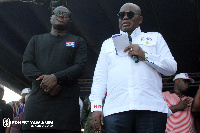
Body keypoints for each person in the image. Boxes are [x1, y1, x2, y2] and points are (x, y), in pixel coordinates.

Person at [89, 2, 177, 133]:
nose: (125, 18)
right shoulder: (107, 44)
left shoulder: (155, 37)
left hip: (151, 108)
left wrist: (145, 55)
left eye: (130, 14)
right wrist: (96, 108)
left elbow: (172, 68)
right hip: (116, 110)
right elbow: (100, 78)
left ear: (140, 19)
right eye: (121, 15)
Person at [22, 6, 87, 133]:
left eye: (65, 14)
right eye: (57, 12)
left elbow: (80, 67)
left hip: (66, 113)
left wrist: (56, 78)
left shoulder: (77, 41)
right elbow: (27, 66)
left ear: (70, 21)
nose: (61, 15)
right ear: (50, 18)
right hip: (37, 110)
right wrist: (46, 81)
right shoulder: (36, 40)